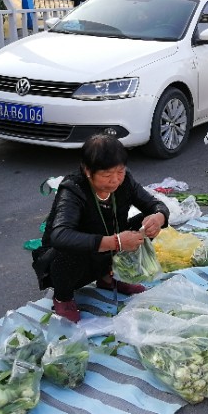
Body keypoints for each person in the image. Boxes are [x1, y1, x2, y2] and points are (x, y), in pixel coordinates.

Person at [32, 134, 170, 323]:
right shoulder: (73, 189)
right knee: (68, 245)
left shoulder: (125, 182)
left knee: (143, 225)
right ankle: (63, 297)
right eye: (106, 175)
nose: (115, 180)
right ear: (88, 171)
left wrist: (159, 216)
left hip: (105, 252)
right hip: (69, 263)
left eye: (120, 172)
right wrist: (116, 241)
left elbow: (154, 205)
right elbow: (60, 236)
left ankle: (108, 278)